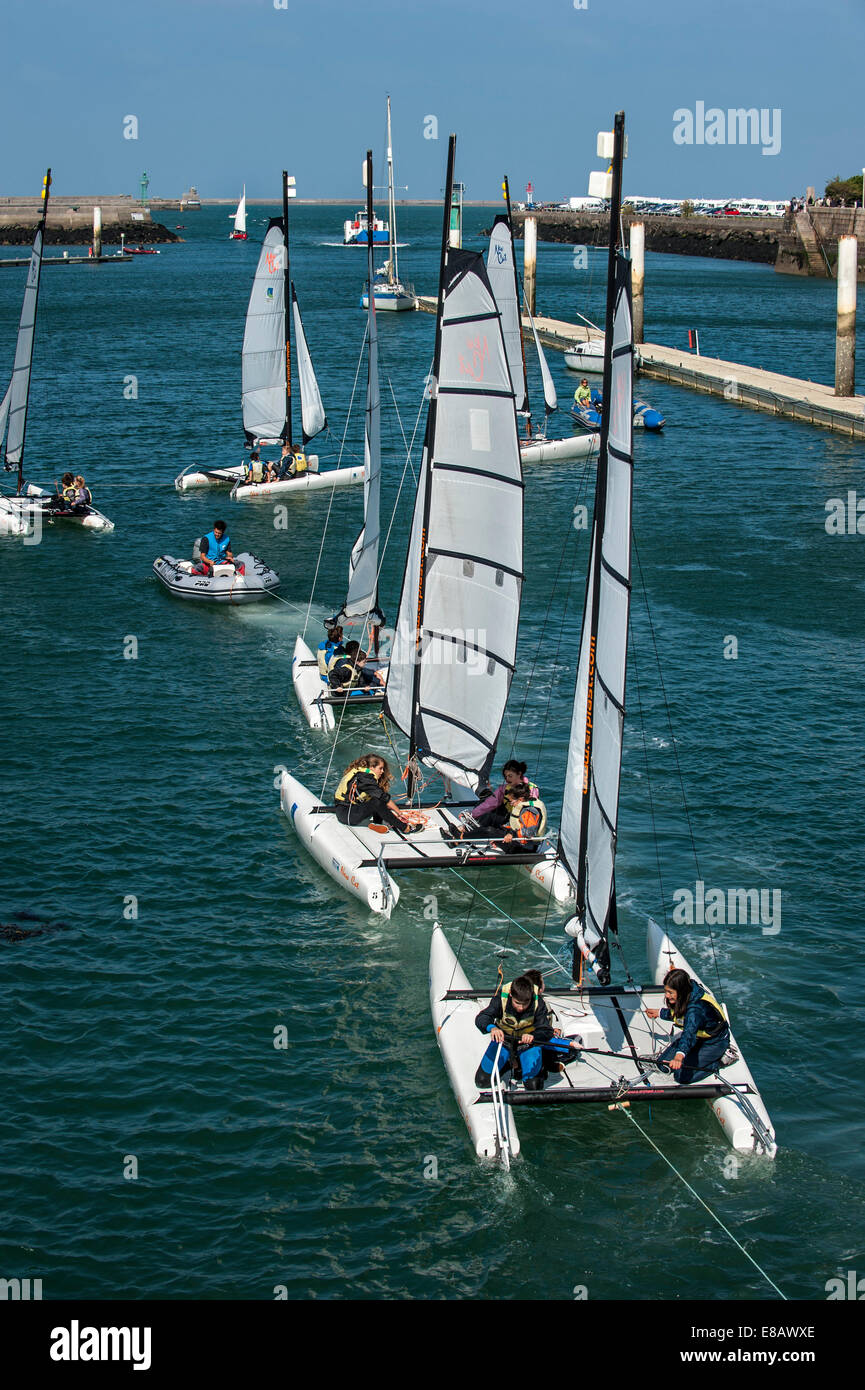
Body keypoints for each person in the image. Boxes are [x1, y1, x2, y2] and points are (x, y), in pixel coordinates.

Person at [645, 968, 734, 1084]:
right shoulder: (688, 992)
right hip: (698, 1038)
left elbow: (689, 1033)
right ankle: (687, 1053)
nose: (666, 995)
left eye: (670, 992)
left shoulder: (695, 1010)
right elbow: (681, 1015)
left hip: (714, 1043)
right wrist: (660, 1013)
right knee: (662, 1066)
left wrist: (679, 1056)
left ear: (681, 991)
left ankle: (719, 1062)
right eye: (666, 991)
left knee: (681, 1076)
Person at [474, 974, 556, 1091]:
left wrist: (533, 1036)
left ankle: (535, 1065)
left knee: (534, 1087)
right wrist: (492, 1028)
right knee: (482, 1082)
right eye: (517, 1003)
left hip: (527, 1045)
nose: (521, 1008)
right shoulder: (501, 999)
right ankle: (509, 1063)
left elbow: (546, 1031)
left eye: (525, 1004)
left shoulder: (539, 1003)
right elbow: (482, 1017)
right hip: (504, 1041)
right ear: (511, 995)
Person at [333, 754, 423, 834]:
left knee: (377, 799)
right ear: (372, 767)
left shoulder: (362, 774)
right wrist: (399, 813)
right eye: (380, 768)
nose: (382, 771)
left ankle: (376, 823)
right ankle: (405, 828)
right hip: (346, 815)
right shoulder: (364, 778)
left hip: (351, 810)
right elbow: (383, 798)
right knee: (378, 801)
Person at [463, 759, 541, 836]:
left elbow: (532, 810)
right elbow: (489, 804)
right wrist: (472, 814)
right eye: (505, 776)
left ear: (519, 774)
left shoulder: (531, 789)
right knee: (486, 808)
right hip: (509, 818)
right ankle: (468, 831)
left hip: (523, 823)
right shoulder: (503, 789)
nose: (507, 779)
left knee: (491, 817)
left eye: (510, 776)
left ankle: (467, 834)